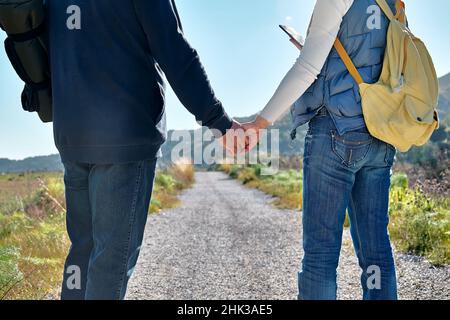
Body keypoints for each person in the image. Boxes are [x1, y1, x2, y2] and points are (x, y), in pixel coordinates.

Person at [46, 0, 242, 300]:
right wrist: (219, 122)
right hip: (124, 137)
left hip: (72, 131)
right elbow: (174, 51)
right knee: (110, 261)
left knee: (82, 253)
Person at [243, 0, 399, 300]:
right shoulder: (393, 2)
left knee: (321, 256)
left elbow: (308, 68)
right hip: (381, 133)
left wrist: (261, 122)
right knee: (376, 251)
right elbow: (374, 60)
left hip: (336, 133)